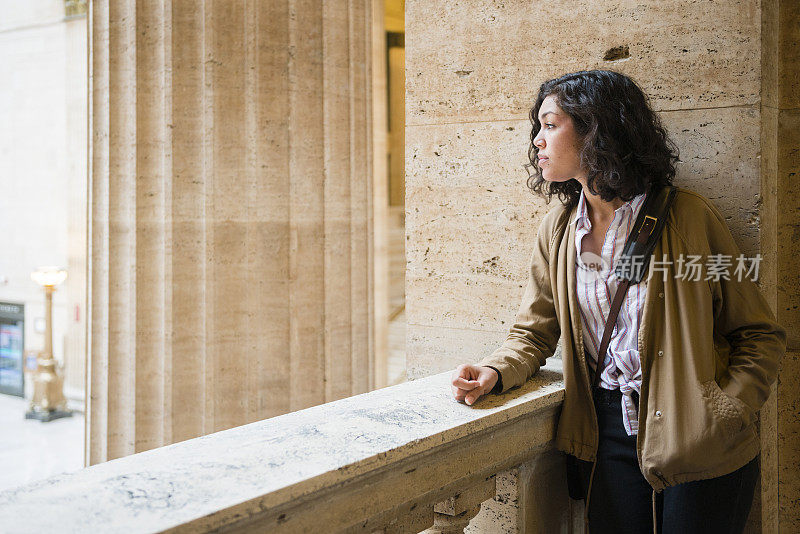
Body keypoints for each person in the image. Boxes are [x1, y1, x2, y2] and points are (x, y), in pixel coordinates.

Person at [449, 70, 786, 534]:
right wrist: (497, 370)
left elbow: (757, 333)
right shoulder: (562, 231)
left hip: (698, 436)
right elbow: (534, 330)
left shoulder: (688, 218)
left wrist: (725, 411)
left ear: (595, 129)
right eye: (538, 127)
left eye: (550, 125)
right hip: (605, 437)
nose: (536, 140)